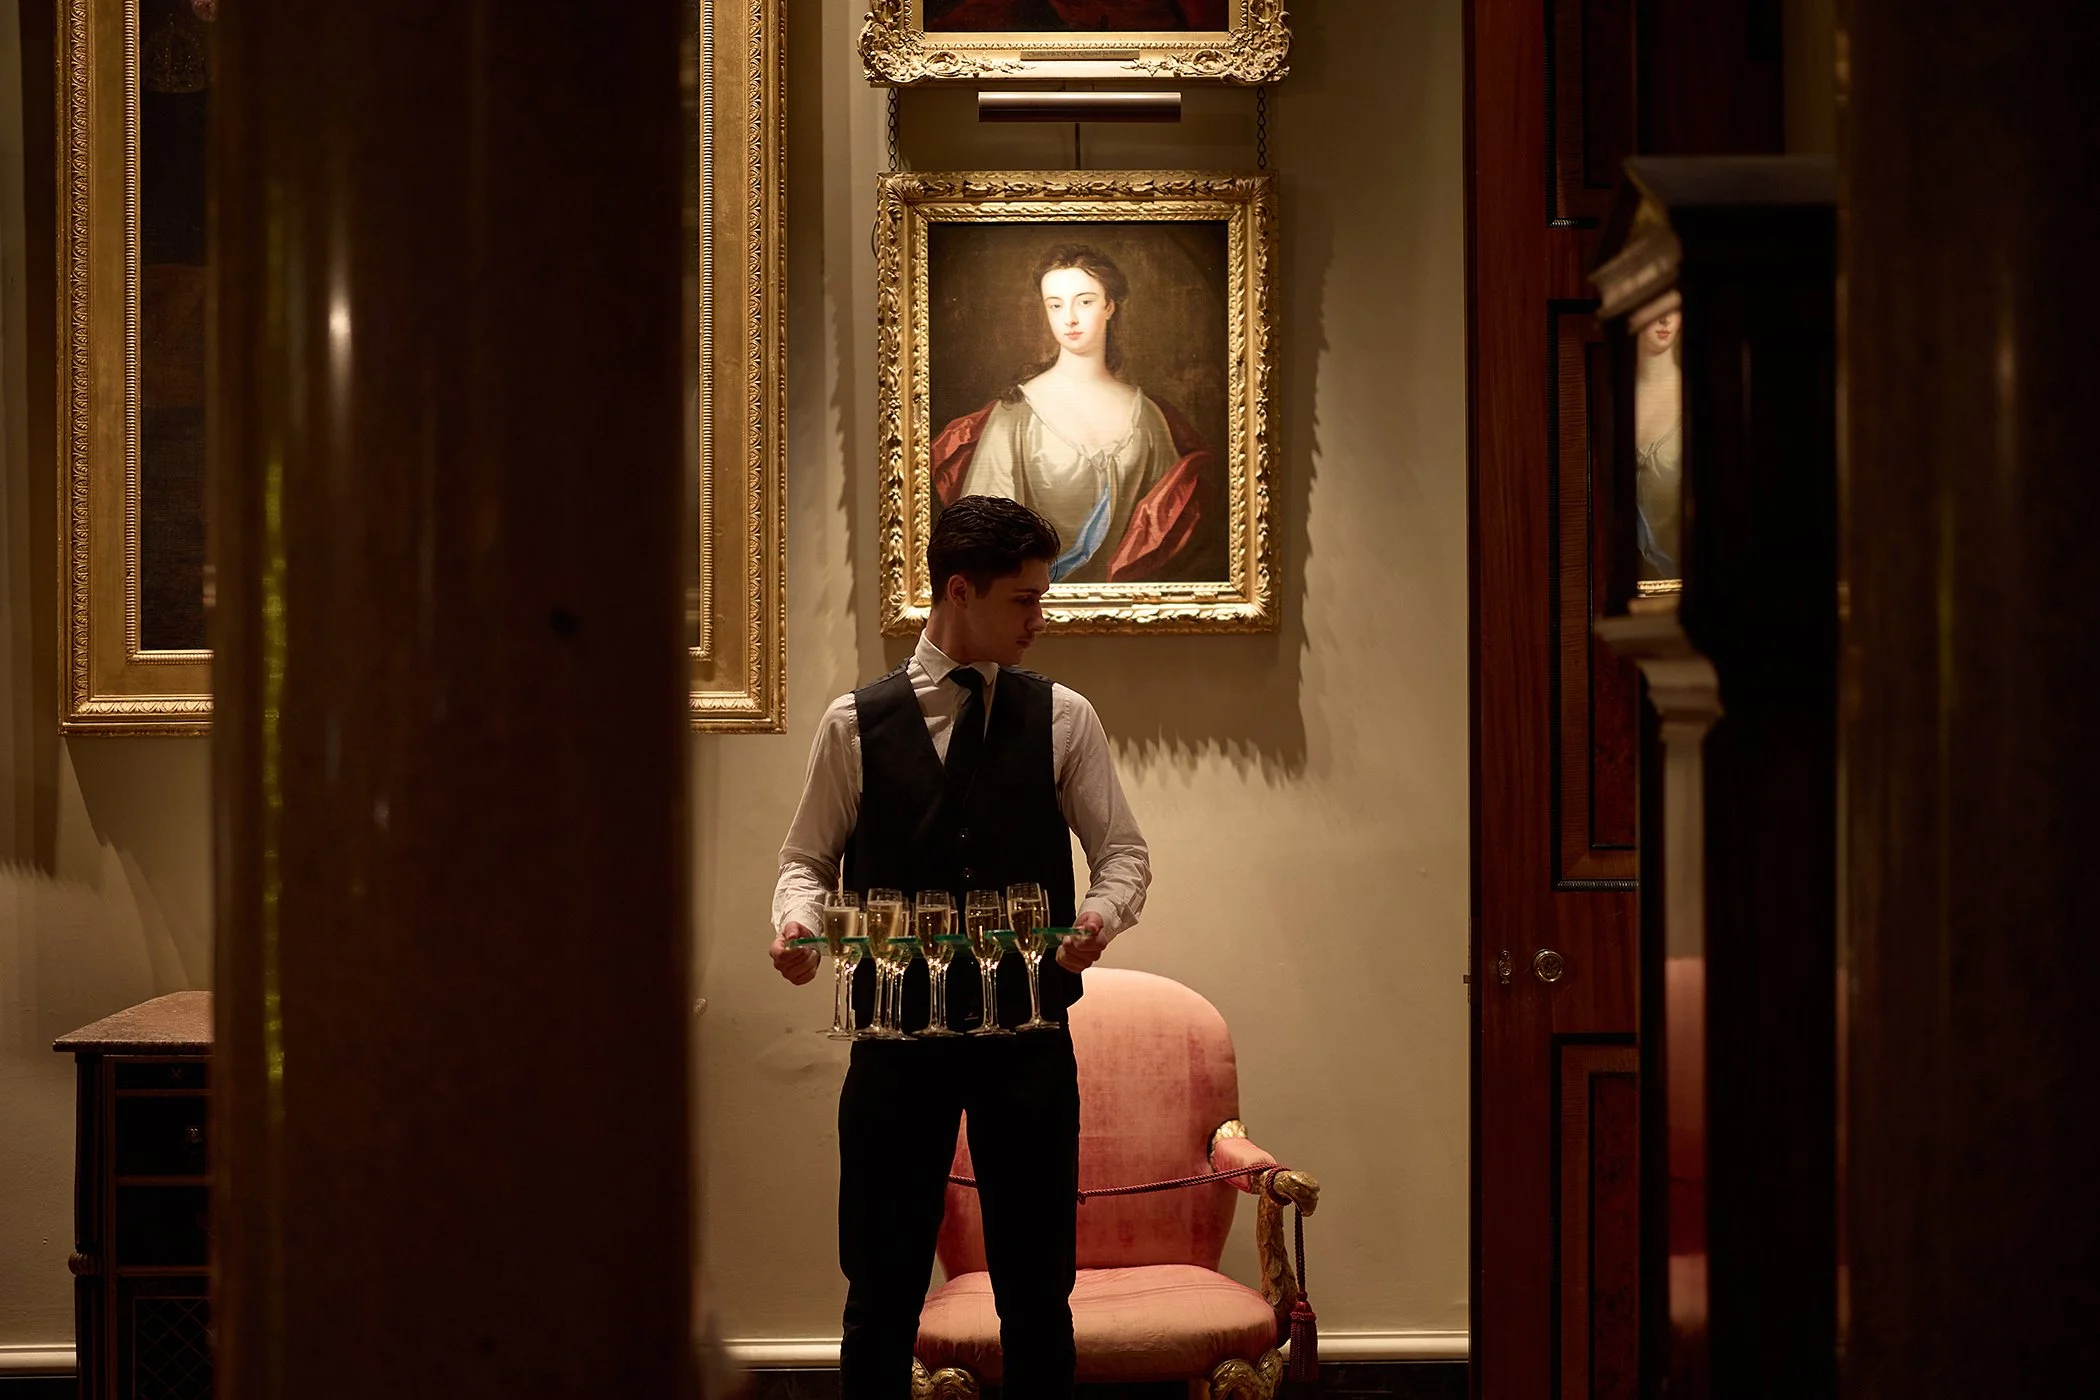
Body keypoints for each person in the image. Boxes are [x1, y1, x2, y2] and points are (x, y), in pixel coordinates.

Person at [768, 495, 1153, 1397]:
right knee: (881, 1284)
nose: (1039, 618)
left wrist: (1099, 918)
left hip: (1028, 1041)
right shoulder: (849, 726)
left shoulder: (1067, 719)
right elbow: (805, 862)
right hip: (895, 1042)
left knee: (1036, 1288)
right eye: (1023, 599)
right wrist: (795, 928)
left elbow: (1124, 856)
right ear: (959, 591)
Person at [931, 244, 1215, 584]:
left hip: (1126, 615)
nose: (1070, 318)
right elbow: (982, 540)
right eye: (1055, 305)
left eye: (1085, 301)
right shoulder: (1016, 413)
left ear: (1109, 306)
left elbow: (1164, 540)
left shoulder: (1147, 417)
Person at [1633, 307, 1684, 580]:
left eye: (1673, 309)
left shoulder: (1692, 397)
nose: (1665, 320)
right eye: (1654, 306)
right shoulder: (1612, 392)